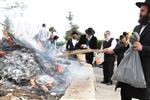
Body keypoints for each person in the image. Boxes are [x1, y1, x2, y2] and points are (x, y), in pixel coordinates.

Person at [116, 0, 150, 100]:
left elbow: (140, 47)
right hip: (130, 69)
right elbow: (129, 45)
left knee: (144, 96)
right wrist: (114, 50)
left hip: (145, 71)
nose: (140, 13)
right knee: (125, 93)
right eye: (140, 10)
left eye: (143, 11)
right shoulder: (137, 27)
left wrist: (143, 48)